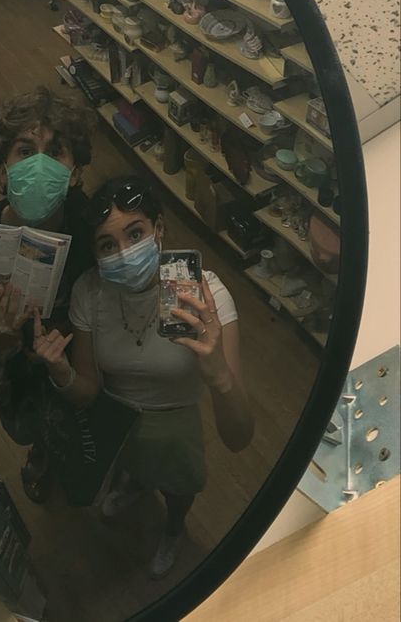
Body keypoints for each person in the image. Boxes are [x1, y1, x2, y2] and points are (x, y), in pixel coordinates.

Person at [32, 175, 254, 577]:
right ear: (96, 256)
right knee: (135, 468)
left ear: (160, 230)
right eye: (107, 245)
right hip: (118, 420)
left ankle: (173, 528)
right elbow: (87, 390)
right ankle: (135, 484)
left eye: (136, 233)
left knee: (179, 487)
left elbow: (239, 439)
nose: (125, 253)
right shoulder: (91, 292)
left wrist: (218, 373)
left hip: (175, 424)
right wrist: (60, 372)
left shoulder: (207, 297)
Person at [0, 86, 96, 500]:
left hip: (80, 353)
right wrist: (4, 342)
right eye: (25, 151)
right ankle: (42, 454)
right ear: (3, 168)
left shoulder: (92, 231)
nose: (40, 166)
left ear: (76, 173)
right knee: (27, 428)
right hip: (19, 369)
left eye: (57, 152)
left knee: (87, 412)